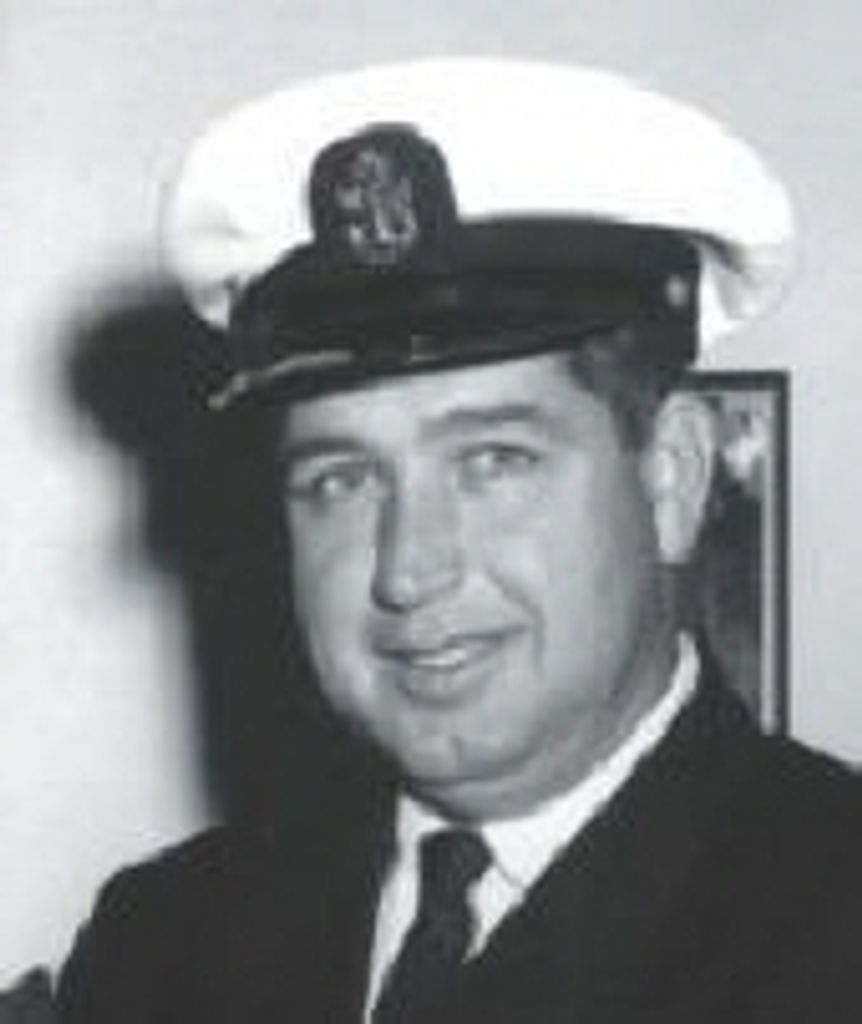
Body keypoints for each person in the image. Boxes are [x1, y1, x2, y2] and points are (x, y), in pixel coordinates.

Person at [56, 58, 862, 1023]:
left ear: (673, 477)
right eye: (341, 480)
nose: (408, 569)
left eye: (493, 461)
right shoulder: (160, 942)